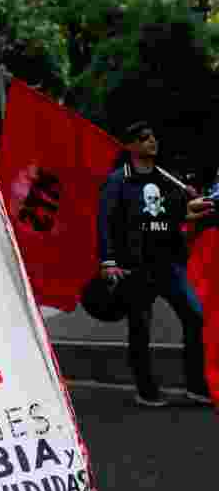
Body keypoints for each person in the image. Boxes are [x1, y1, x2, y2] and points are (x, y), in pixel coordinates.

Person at [97, 120, 215, 407]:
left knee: (194, 317)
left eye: (152, 137)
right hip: (137, 266)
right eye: (144, 138)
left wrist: (192, 205)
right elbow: (106, 221)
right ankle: (146, 389)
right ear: (131, 146)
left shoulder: (167, 178)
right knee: (141, 327)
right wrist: (109, 261)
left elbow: (179, 214)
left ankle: (196, 386)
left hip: (169, 262)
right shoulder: (119, 180)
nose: (152, 142)